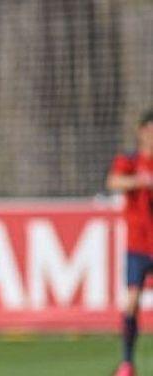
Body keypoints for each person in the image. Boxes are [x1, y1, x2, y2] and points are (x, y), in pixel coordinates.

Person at [108, 110, 153, 376]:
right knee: (132, 302)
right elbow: (113, 181)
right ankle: (127, 362)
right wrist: (140, 181)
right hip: (137, 245)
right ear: (141, 131)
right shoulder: (130, 161)